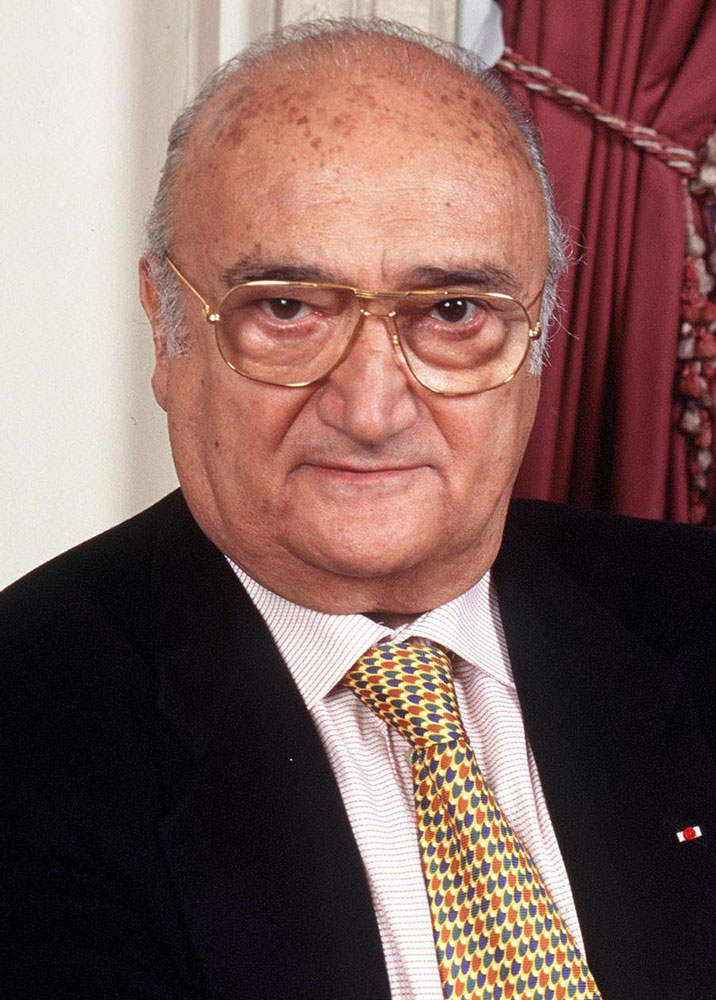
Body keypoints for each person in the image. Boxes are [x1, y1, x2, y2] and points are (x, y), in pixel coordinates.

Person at [2, 17, 715, 1000]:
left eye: (454, 312)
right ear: (167, 331)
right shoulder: (29, 730)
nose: (371, 410)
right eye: (286, 308)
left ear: (540, 335)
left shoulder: (696, 611)